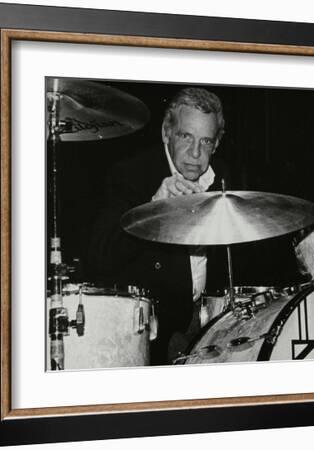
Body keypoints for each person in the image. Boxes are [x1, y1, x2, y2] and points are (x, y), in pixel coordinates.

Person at [86, 87, 229, 364]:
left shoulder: (223, 178)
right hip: (152, 332)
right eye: (186, 136)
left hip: (210, 322)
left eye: (206, 141)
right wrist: (154, 209)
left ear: (216, 144)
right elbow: (99, 257)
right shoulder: (129, 174)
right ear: (167, 132)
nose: (196, 153)